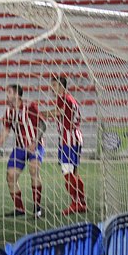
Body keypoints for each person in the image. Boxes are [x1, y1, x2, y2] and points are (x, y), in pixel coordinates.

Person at [0, 84, 46, 217]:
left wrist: (34, 142)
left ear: (17, 94)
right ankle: (19, 209)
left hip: (36, 144)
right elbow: (6, 130)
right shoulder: (9, 111)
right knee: (10, 176)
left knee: (34, 169)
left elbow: (42, 124)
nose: (7, 95)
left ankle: (37, 208)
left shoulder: (30, 106)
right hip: (20, 147)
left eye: (9, 92)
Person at [42, 76, 87, 215]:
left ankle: (76, 203)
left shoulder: (63, 98)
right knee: (74, 172)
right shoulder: (71, 99)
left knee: (67, 173)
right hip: (76, 137)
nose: (52, 88)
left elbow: (58, 113)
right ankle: (82, 201)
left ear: (61, 87)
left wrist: (39, 113)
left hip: (68, 139)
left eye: (54, 86)